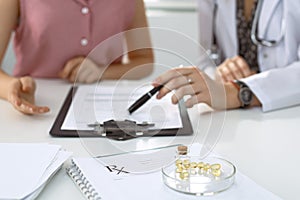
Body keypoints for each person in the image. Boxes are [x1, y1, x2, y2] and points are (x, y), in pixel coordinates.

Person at [0, 0, 153, 115]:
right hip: (34, 107)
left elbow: (145, 61)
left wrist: (101, 72)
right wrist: (11, 89)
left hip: (104, 108)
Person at [153, 0, 300, 112]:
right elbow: (206, 59)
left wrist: (237, 92)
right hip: (237, 116)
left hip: (287, 112)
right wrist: (218, 75)